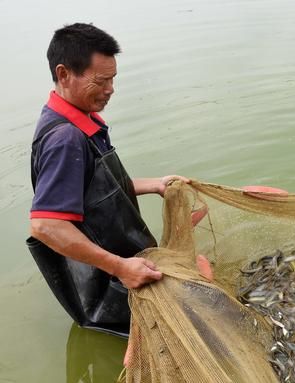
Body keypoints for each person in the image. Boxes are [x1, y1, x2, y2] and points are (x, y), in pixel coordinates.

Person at [26, 23, 189, 337]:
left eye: (113, 78)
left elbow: (97, 189)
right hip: (108, 291)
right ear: (64, 74)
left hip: (130, 269)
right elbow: (46, 225)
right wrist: (121, 268)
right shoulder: (65, 139)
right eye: (101, 80)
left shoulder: (83, 119)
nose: (111, 88)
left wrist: (154, 184)